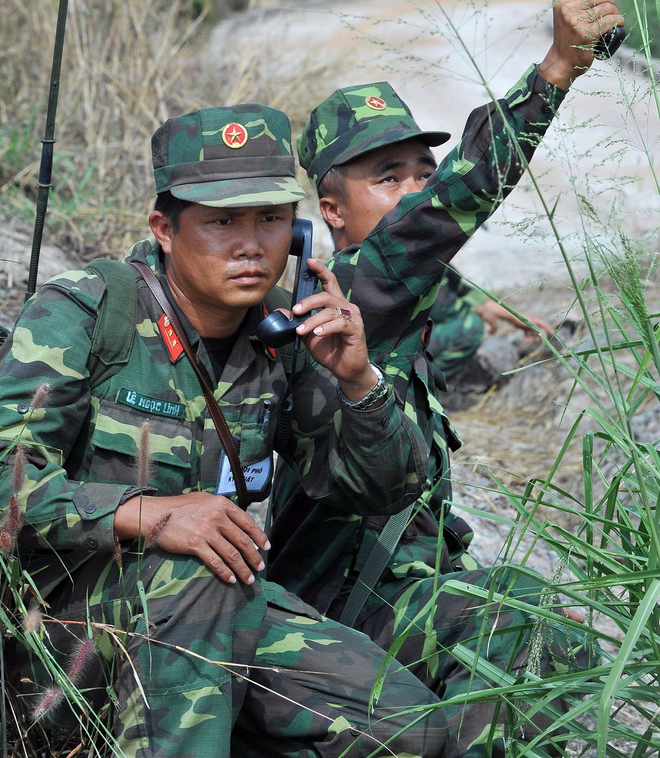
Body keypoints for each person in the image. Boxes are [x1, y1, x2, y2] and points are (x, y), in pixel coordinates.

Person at [0, 105, 448, 757]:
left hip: (210, 619)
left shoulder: (283, 337)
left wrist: (360, 381)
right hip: (56, 644)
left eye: (269, 218)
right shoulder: (90, 311)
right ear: (165, 228)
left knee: (413, 727)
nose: (250, 243)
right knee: (203, 573)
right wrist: (146, 514)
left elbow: (387, 490)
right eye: (221, 221)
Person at [267, 0, 623, 755]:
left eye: (421, 173)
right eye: (385, 177)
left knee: (544, 644)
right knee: (520, 651)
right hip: (344, 604)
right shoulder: (352, 287)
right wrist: (556, 66)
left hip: (397, 582)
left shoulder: (392, 296)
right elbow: (457, 199)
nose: (415, 192)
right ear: (331, 210)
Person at [427, 265, 554, 381]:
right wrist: (479, 311)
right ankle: (424, 384)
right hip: (409, 339)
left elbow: (466, 293)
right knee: (471, 326)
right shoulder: (429, 251)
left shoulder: (439, 253)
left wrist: (516, 317)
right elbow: (443, 308)